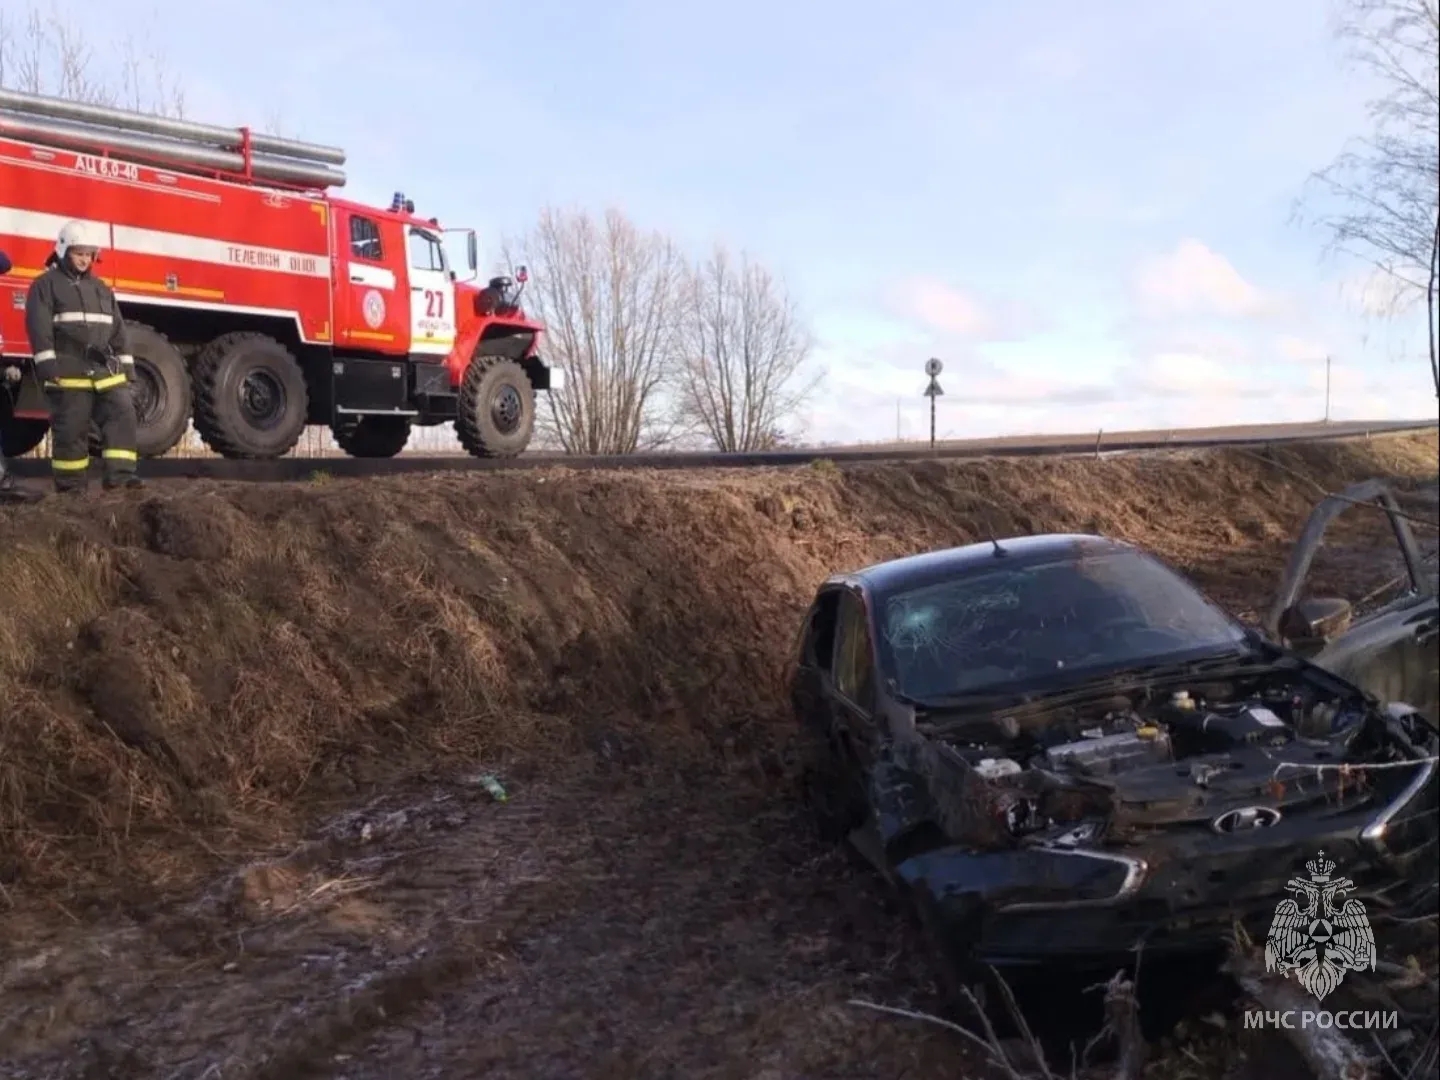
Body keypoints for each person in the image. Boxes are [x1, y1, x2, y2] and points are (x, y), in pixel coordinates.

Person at [24, 221, 142, 493]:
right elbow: (38, 327)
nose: (84, 259)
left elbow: (119, 332)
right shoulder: (45, 285)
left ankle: (121, 479)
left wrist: (127, 371)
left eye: (89, 254)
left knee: (122, 413)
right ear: (64, 250)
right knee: (71, 430)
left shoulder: (101, 289)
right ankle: (71, 490)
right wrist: (47, 366)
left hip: (103, 372)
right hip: (67, 370)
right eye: (79, 253)